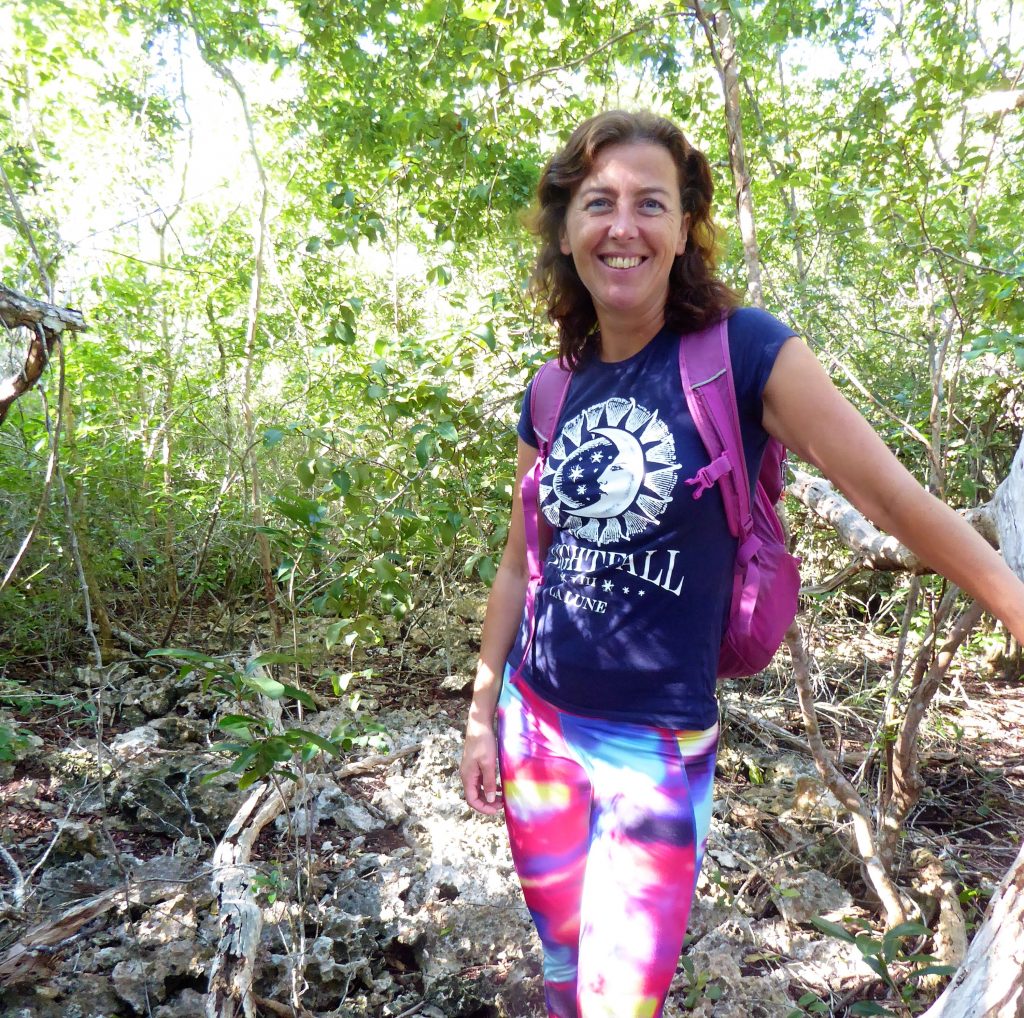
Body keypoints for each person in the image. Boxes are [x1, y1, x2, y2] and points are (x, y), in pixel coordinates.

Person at [459, 109, 1024, 1018]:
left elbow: (888, 496)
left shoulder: (744, 352)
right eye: (597, 202)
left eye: (652, 203)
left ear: (685, 230)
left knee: (617, 1003)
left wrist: (1013, 603)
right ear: (566, 230)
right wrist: (482, 714)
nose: (623, 225)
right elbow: (520, 562)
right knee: (562, 974)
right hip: (535, 731)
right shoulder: (553, 386)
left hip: (655, 752)